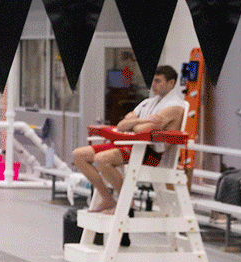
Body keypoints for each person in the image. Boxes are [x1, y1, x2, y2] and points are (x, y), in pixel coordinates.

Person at [71, 66, 186, 214]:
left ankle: (126, 201)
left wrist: (136, 123)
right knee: (78, 155)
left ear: (171, 83)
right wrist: (143, 120)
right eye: (153, 81)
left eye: (158, 81)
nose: (153, 85)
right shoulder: (147, 103)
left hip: (151, 154)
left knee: (102, 159)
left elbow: (141, 130)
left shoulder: (175, 106)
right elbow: (121, 125)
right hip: (133, 146)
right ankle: (107, 198)